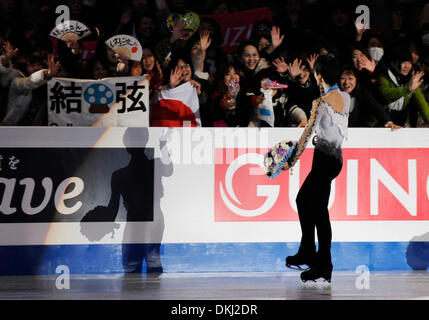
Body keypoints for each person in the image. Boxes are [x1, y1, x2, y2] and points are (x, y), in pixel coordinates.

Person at [282, 55, 350, 283]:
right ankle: (316, 258)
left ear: (319, 75)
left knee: (311, 205)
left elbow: (307, 134)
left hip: (323, 159)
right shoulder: (345, 97)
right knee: (313, 206)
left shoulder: (321, 102)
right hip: (336, 159)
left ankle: (316, 258)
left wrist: (291, 161)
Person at [376, 46, 429, 127]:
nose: (407, 66)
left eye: (409, 62)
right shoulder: (384, 76)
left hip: (398, 123)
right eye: (403, 62)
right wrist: (407, 89)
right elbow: (386, 94)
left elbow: (422, 104)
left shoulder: (411, 79)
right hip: (378, 122)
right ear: (393, 64)